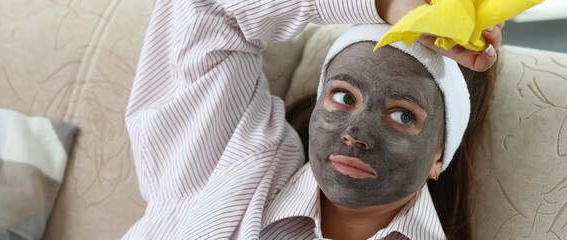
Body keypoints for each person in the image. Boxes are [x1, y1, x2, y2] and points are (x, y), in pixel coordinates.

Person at [124, 0, 501, 239]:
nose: (356, 134)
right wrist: (384, 3)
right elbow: (201, 8)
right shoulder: (228, 158)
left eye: (402, 115)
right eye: (342, 96)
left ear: (440, 154)